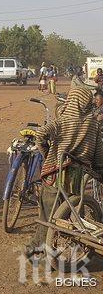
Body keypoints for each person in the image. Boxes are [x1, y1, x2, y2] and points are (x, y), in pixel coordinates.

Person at [25, 87, 103, 258]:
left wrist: (47, 154)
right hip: (77, 176)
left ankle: (35, 251)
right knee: (75, 214)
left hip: (55, 173)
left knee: (47, 214)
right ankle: (78, 249)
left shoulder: (63, 121)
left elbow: (41, 134)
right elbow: (98, 155)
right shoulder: (94, 124)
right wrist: (98, 171)